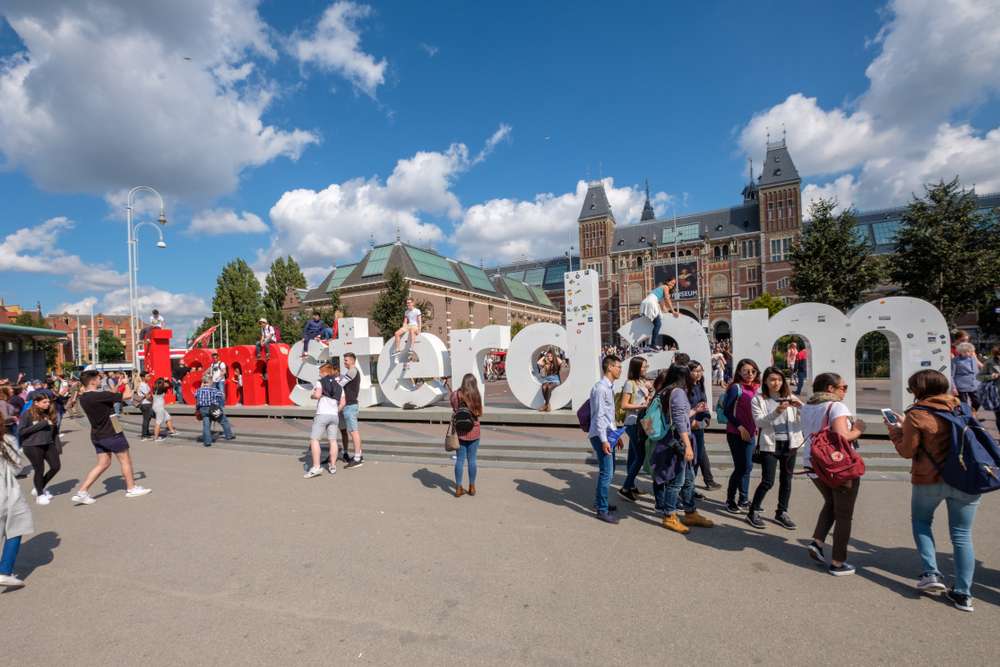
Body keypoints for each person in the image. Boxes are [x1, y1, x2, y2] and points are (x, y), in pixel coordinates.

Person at [885, 369, 981, 612]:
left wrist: (896, 430)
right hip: (966, 480)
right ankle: (963, 594)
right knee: (961, 535)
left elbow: (907, 451)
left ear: (919, 390)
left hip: (929, 480)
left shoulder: (917, 414)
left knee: (921, 522)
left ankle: (931, 573)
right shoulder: (962, 408)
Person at [800, 372, 866, 576]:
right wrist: (858, 429)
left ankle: (817, 543)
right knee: (844, 514)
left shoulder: (808, 406)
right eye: (843, 387)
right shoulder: (836, 406)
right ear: (830, 388)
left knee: (831, 503)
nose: (844, 391)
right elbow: (843, 437)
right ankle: (838, 562)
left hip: (813, 463)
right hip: (837, 467)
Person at [71, 370, 152, 505]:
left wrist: (118, 385)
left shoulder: (84, 397)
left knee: (103, 463)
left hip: (97, 433)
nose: (100, 381)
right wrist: (126, 384)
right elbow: (127, 396)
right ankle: (131, 488)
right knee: (125, 460)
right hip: (112, 431)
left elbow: (110, 395)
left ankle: (82, 492)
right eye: (98, 379)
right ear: (92, 381)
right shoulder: (100, 395)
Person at [650, 363, 714, 533]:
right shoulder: (678, 392)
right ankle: (670, 516)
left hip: (672, 440)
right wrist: (687, 446)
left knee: (688, 479)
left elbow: (678, 416)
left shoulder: (668, 390)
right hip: (676, 443)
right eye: (691, 373)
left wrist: (693, 410)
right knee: (676, 481)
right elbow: (679, 422)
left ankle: (690, 511)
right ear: (684, 376)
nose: (695, 376)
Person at [748, 367, 804, 529]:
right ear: (765, 381)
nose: (776, 383)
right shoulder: (758, 399)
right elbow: (759, 423)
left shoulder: (790, 397)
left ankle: (782, 512)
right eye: (772, 379)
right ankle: (753, 511)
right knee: (768, 481)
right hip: (770, 445)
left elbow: (805, 417)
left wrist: (800, 406)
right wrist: (777, 412)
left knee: (786, 480)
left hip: (790, 444)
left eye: (779, 379)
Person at [723, 358, 761, 513]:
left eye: (753, 371)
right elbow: (727, 411)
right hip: (735, 433)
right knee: (741, 467)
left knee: (748, 467)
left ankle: (743, 499)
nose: (750, 374)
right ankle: (730, 499)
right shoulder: (736, 388)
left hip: (752, 433)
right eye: (746, 371)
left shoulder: (758, 388)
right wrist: (740, 427)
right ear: (739, 372)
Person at [589, 354, 623, 523]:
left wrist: (616, 434)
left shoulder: (608, 387)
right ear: (609, 367)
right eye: (618, 366)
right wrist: (604, 441)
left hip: (608, 434)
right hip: (600, 435)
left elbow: (609, 416)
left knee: (609, 471)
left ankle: (599, 502)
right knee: (606, 473)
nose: (620, 370)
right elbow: (599, 417)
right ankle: (601, 509)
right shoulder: (601, 388)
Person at [0, 420, 33, 588]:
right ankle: (4, 571)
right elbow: (16, 468)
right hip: (5, 491)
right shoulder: (7, 440)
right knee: (15, 528)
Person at [17, 393, 61, 505]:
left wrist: (57, 446)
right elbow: (21, 431)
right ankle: (40, 494)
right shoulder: (27, 414)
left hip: (48, 444)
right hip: (32, 446)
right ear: (36, 403)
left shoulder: (50, 413)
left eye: (48, 402)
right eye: (44, 402)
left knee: (56, 467)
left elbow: (54, 433)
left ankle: (39, 487)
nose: (47, 404)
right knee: (39, 470)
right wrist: (42, 424)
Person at [618, 356, 651, 501]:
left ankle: (631, 486)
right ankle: (625, 488)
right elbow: (624, 405)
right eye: (644, 366)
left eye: (646, 366)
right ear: (637, 368)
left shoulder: (643, 382)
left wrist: (649, 395)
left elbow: (645, 400)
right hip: (633, 423)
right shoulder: (629, 383)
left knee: (633, 455)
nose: (646, 369)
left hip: (643, 421)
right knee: (641, 456)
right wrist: (642, 406)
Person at [305, 362, 345, 478]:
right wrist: (335, 410)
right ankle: (332, 466)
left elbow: (317, 395)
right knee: (332, 440)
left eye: (320, 373)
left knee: (314, 439)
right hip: (334, 415)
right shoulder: (339, 386)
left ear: (325, 372)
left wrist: (312, 395)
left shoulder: (320, 382)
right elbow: (343, 403)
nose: (319, 375)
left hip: (322, 413)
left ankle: (316, 467)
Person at [687, 360, 719, 492]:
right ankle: (689, 488)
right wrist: (692, 421)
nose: (698, 373)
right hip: (690, 426)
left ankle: (705, 481)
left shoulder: (700, 384)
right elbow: (684, 409)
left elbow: (703, 403)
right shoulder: (685, 388)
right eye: (695, 371)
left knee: (700, 454)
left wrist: (707, 416)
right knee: (694, 457)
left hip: (699, 424)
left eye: (700, 370)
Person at [451, 373, 483, 497]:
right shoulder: (476, 395)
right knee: (472, 460)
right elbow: (479, 413)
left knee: (459, 460)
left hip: (460, 431)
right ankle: (472, 487)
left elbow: (454, 408)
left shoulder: (455, 394)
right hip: (474, 430)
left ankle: (458, 488)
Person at [195, 375, 235, 446]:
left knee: (206, 425)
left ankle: (207, 441)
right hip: (213, 408)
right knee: (223, 421)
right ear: (210, 382)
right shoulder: (214, 390)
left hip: (203, 409)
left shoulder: (198, 390)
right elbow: (222, 396)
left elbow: (196, 397)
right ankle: (229, 435)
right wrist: (219, 402)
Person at [640, 278, 679, 350]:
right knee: (658, 324)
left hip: (647, 302)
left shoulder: (660, 292)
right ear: (667, 282)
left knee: (656, 323)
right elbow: (667, 299)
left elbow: (663, 307)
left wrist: (670, 313)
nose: (673, 285)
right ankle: (652, 344)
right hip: (651, 303)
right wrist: (673, 311)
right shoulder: (665, 287)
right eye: (672, 283)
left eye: (674, 284)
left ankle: (651, 344)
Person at [341, 352, 364, 468]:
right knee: (353, 431)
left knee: (353, 432)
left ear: (352, 361)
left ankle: (357, 458)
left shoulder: (352, 371)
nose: (344, 362)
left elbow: (340, 384)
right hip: (350, 405)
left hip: (350, 405)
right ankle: (359, 454)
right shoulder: (351, 371)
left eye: (346, 360)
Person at [951, 342, 982, 412]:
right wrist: (954, 388)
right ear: (960, 352)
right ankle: (967, 418)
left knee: (977, 402)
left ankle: (972, 414)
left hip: (974, 384)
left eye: (969, 351)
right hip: (961, 385)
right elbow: (952, 375)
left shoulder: (973, 358)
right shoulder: (955, 360)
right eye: (965, 352)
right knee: (963, 404)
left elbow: (978, 370)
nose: (967, 353)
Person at [979, 346, 1000, 435]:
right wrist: (991, 376)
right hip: (996, 394)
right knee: (999, 417)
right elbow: (979, 377)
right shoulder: (989, 363)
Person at [537, 348, 562, 413]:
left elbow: (561, 362)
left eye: (551, 356)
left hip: (555, 380)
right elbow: (538, 362)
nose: (549, 357)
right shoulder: (545, 363)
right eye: (548, 356)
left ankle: (546, 405)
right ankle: (547, 404)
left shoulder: (556, 363)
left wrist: (554, 356)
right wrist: (544, 356)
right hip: (547, 380)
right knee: (544, 387)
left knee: (549, 387)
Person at [136, 372, 154, 442]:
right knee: (146, 419)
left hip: (147, 403)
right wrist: (152, 400)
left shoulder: (145, 384)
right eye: (148, 376)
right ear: (143, 377)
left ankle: (146, 433)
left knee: (148, 419)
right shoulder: (143, 385)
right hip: (145, 404)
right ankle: (144, 435)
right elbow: (147, 396)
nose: (149, 377)